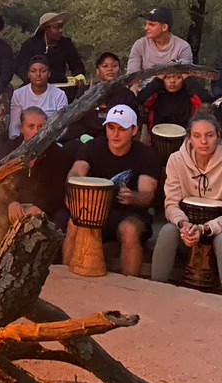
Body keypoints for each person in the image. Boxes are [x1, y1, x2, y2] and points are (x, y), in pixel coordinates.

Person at [151, 114, 222, 297]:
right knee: (168, 230)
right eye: (197, 136)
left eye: (209, 135)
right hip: (188, 229)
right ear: (189, 138)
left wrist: (204, 229)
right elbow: (171, 204)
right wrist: (184, 225)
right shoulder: (176, 160)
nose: (203, 142)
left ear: (218, 136)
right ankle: (156, 291)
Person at [68, 105, 162, 276]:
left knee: (130, 230)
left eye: (122, 129)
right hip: (95, 209)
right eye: (111, 128)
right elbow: (76, 172)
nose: (115, 134)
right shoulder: (93, 147)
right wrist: (76, 191)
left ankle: (129, 284)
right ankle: (65, 275)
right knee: (74, 223)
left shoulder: (147, 156)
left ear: (134, 130)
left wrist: (134, 197)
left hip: (131, 213)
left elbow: (147, 195)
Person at [72, 53, 138, 141]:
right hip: (86, 138)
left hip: (114, 139)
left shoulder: (126, 94)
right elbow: (75, 119)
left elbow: (132, 122)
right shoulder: (85, 91)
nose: (110, 69)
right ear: (97, 71)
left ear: (119, 70)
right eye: (105, 66)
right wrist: (83, 136)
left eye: (114, 66)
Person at [15, 12, 86, 85]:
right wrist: (32, 79)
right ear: (46, 29)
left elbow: (77, 65)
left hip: (60, 84)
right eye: (57, 27)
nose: (61, 30)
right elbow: (21, 67)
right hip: (35, 85)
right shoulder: (30, 44)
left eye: (61, 27)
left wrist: (79, 78)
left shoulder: (66, 44)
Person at [9, 56, 68, 139]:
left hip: (51, 139)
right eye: (33, 71)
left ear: (49, 74)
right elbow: (14, 125)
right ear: (28, 74)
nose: (38, 74)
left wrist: (51, 140)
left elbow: (63, 124)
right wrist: (16, 141)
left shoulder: (59, 95)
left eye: (43, 71)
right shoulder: (18, 94)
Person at [127, 6, 193, 76]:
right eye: (146, 24)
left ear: (164, 27)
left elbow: (185, 76)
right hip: (144, 83)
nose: (146, 28)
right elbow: (132, 76)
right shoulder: (140, 45)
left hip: (172, 83)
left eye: (151, 24)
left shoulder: (183, 47)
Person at [137, 70, 211, 129]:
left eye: (178, 77)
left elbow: (206, 101)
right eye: (168, 77)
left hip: (185, 136)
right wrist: (157, 80)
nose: (172, 81)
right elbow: (140, 100)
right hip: (158, 136)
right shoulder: (157, 94)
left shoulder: (190, 95)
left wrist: (188, 80)